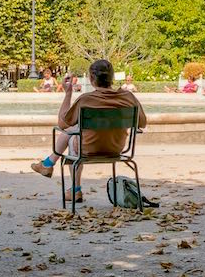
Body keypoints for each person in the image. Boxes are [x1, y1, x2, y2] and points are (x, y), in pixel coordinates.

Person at [30, 60, 147, 203]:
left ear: (91, 79)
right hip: (116, 149)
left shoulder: (86, 99)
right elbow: (142, 123)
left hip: (87, 150)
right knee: (74, 130)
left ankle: (72, 187)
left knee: (71, 132)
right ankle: (48, 164)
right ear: (112, 77)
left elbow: (62, 123)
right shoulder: (128, 97)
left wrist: (68, 93)